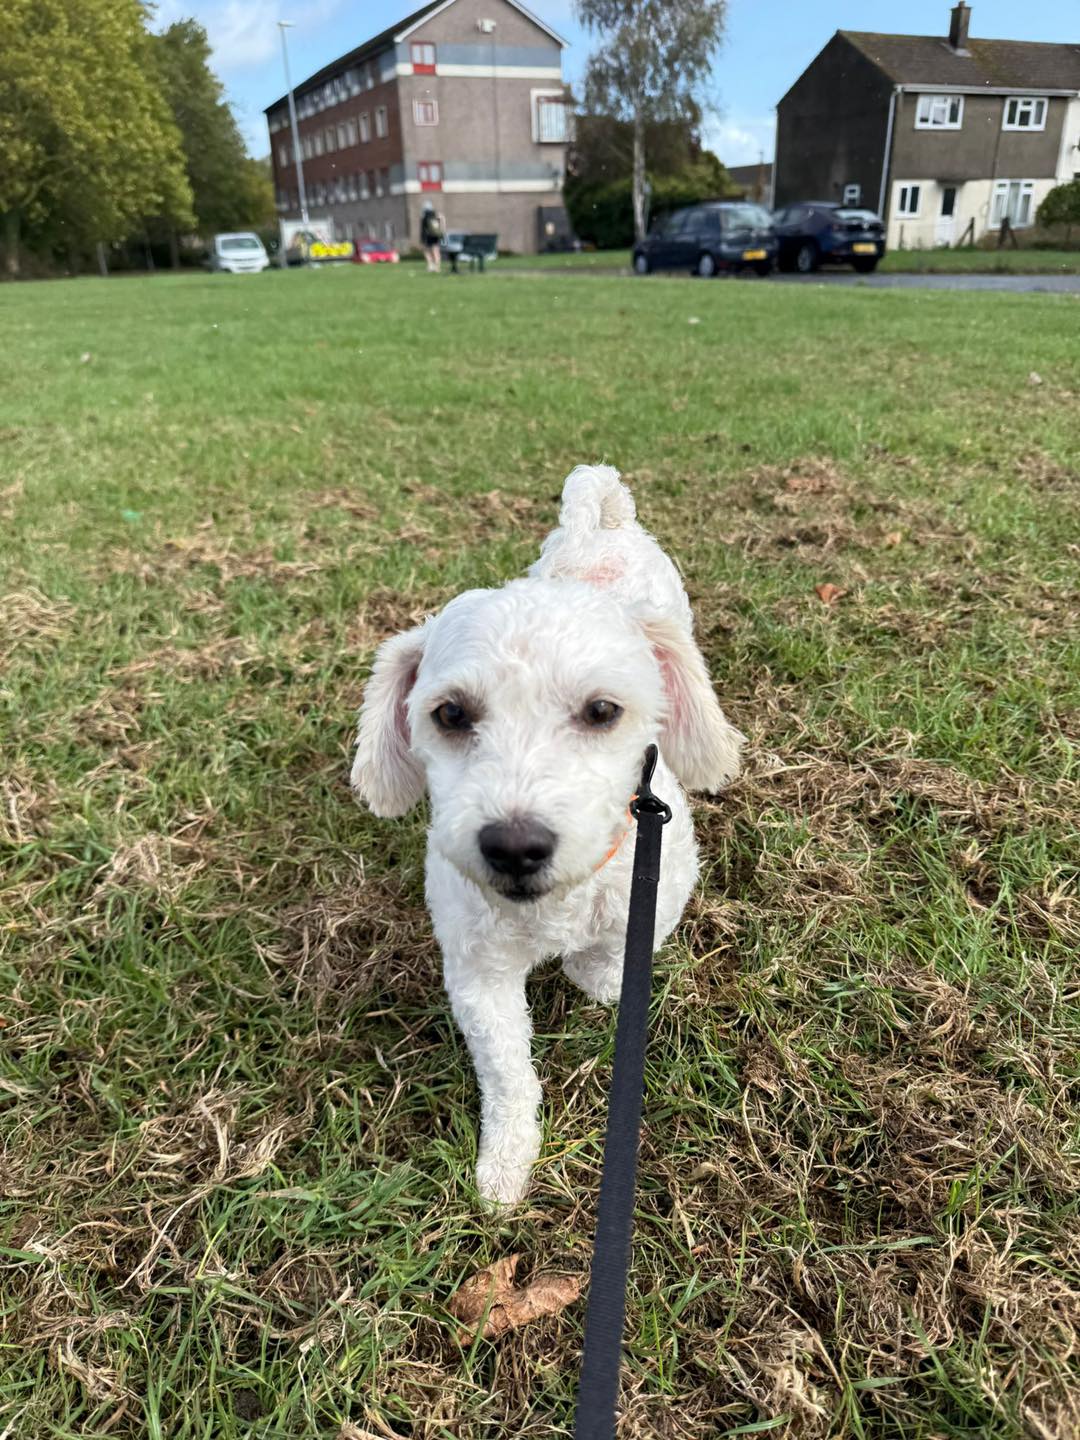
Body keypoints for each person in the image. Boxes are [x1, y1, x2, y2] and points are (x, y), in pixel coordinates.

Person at [420, 201, 445, 272]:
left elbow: (423, 229)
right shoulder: (436, 215)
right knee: (436, 251)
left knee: (426, 251)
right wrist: (442, 231)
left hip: (428, 236)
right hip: (435, 236)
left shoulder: (424, 216)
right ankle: (437, 267)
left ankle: (430, 265)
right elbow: (442, 221)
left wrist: (422, 238)